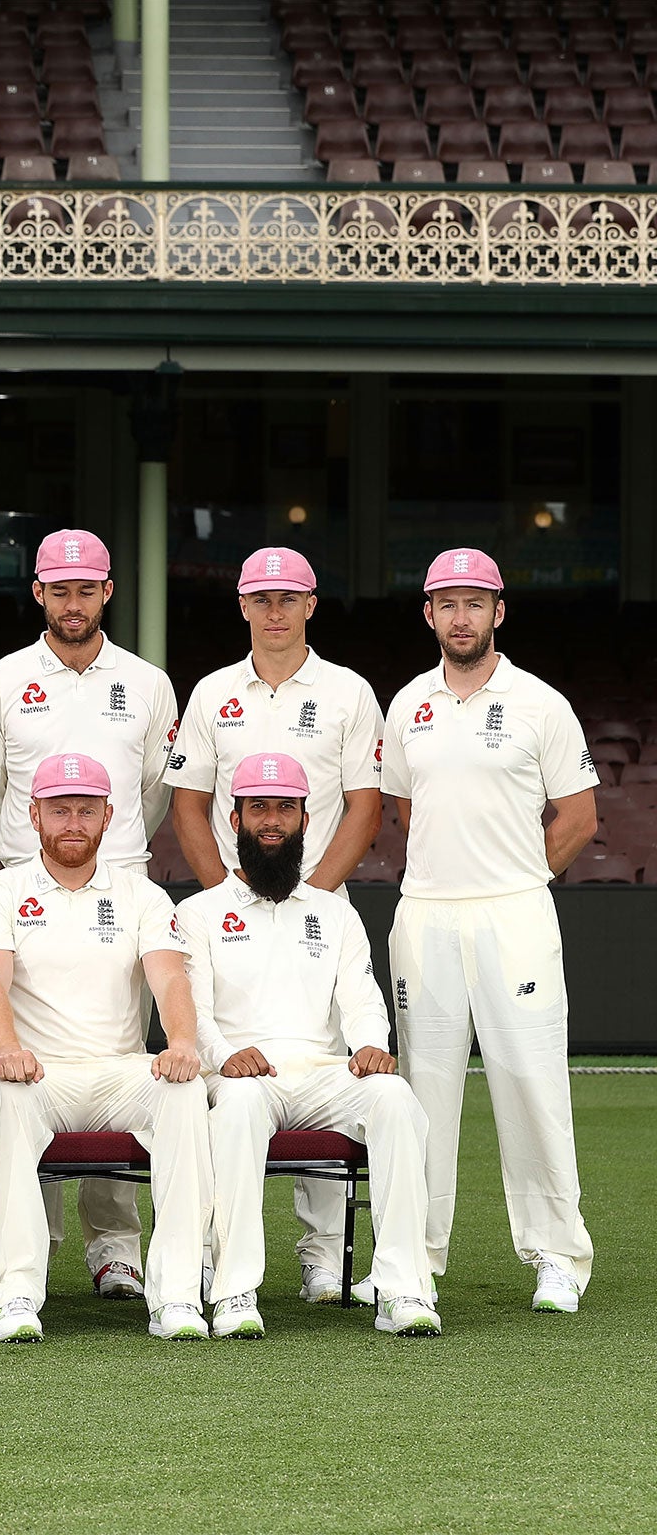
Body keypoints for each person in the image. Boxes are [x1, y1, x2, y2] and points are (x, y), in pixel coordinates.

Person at [164, 545, 386, 1306]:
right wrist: (235, 898)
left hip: (319, 909)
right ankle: (214, 1254)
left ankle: (324, 1256)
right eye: (262, 599)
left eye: (289, 598)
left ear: (312, 605)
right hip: (235, 909)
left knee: (327, 1065)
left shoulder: (351, 692)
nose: (276, 611)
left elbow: (365, 805)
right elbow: (190, 804)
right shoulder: (212, 693)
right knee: (221, 1075)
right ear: (242, 606)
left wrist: (303, 896)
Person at [0, 528, 179, 1301]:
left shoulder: (148, 684)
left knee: (114, 1055)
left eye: (86, 589)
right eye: (59, 590)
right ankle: (35, 1244)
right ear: (38, 595)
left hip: (119, 885)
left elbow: (152, 791)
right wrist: (30, 859)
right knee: (26, 1061)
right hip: (27, 888)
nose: (73, 603)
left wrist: (110, 855)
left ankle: (115, 1249)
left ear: (108, 592)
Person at [384, 547, 597, 1313]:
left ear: (499, 612)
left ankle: (557, 1258)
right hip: (427, 914)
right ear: (429, 614)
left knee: (531, 1083)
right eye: (448, 603)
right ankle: (415, 1259)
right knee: (422, 1093)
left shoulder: (541, 703)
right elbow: (407, 813)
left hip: (515, 913)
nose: (462, 616)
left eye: (476, 602)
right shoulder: (406, 703)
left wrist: (517, 876)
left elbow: (578, 817)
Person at [177, 752, 441, 1340]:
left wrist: (371, 1044)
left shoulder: (336, 914)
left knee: (394, 1098)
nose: (272, 821)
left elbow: (362, 996)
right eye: (259, 809)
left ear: (305, 818)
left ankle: (403, 1288)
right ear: (234, 816)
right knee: (242, 1103)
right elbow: (188, 1010)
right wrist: (223, 1056)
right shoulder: (197, 913)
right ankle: (233, 1289)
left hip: (321, 1072)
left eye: (285, 809)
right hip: (239, 1073)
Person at [0, 751, 211, 1342]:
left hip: (117, 1071)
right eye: (59, 810)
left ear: (108, 816)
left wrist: (181, 1042)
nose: (71, 823)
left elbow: (170, 976)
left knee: (185, 1094)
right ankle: (17, 1294)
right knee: (1, 1098)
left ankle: (177, 1294)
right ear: (34, 815)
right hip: (37, 1073)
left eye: (85, 810)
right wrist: (6, 1050)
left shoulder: (142, 896)